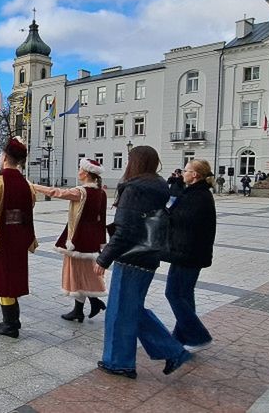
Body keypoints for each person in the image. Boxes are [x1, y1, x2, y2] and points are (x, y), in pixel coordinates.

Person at [95, 145, 191, 380]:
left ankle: (120, 362)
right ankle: (171, 351)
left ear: (135, 162)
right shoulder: (159, 185)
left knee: (120, 311)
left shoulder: (135, 189)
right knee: (132, 308)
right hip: (149, 255)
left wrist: (104, 258)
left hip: (131, 257)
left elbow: (125, 230)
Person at [33, 158, 107, 322]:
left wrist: (33, 186)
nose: (78, 171)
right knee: (84, 272)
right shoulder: (101, 192)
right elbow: (102, 220)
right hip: (92, 237)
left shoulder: (80, 192)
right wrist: (101, 241)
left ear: (86, 173)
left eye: (80, 169)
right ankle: (84, 307)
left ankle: (88, 305)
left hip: (78, 237)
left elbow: (56, 192)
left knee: (76, 273)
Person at [0, 137, 37, 338]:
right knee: (14, 277)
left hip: (0, 238)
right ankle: (12, 320)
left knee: (3, 278)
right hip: (20, 236)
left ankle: (10, 323)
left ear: (4, 158)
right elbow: (31, 206)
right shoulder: (27, 185)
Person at [166, 159, 217, 350]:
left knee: (174, 293)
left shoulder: (199, 196)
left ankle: (199, 337)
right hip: (184, 252)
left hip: (188, 253)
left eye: (186, 171)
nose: (183, 173)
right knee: (184, 295)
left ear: (195, 175)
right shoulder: (194, 192)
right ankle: (180, 337)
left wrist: (168, 209)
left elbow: (179, 218)